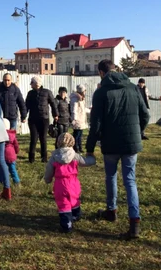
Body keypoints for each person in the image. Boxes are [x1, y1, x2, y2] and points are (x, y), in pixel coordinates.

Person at [86, 60, 150, 239]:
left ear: (101, 72)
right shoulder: (133, 88)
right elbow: (145, 114)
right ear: (116, 70)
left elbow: (95, 124)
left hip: (111, 144)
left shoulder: (101, 93)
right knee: (130, 180)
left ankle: (111, 210)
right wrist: (138, 131)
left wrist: (90, 147)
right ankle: (134, 222)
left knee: (111, 177)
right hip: (131, 144)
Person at [44, 133, 96, 233]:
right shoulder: (75, 156)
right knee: (74, 199)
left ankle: (67, 224)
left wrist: (48, 179)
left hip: (60, 184)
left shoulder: (54, 157)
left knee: (64, 204)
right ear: (72, 142)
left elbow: (49, 170)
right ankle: (76, 214)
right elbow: (86, 161)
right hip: (73, 183)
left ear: (58, 143)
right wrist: (92, 159)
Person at [25, 76, 58, 163]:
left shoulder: (47, 92)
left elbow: (53, 104)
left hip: (44, 118)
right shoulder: (30, 93)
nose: (30, 85)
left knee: (43, 138)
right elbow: (26, 106)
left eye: (32, 83)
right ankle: (31, 158)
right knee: (34, 138)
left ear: (36, 84)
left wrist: (55, 115)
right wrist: (24, 116)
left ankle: (44, 157)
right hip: (32, 120)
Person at [0, 118, 20, 185]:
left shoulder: (0, 135)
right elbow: (16, 145)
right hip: (11, 155)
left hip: (3, 155)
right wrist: (16, 151)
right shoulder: (13, 135)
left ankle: (0, 180)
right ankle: (16, 181)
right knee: (12, 169)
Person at [70, 84, 88, 153]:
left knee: (80, 134)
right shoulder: (75, 99)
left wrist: (90, 110)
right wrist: (74, 119)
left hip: (81, 119)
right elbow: (74, 109)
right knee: (76, 135)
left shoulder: (81, 98)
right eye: (84, 90)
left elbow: (83, 109)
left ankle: (80, 147)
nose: (85, 92)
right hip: (77, 120)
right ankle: (75, 147)